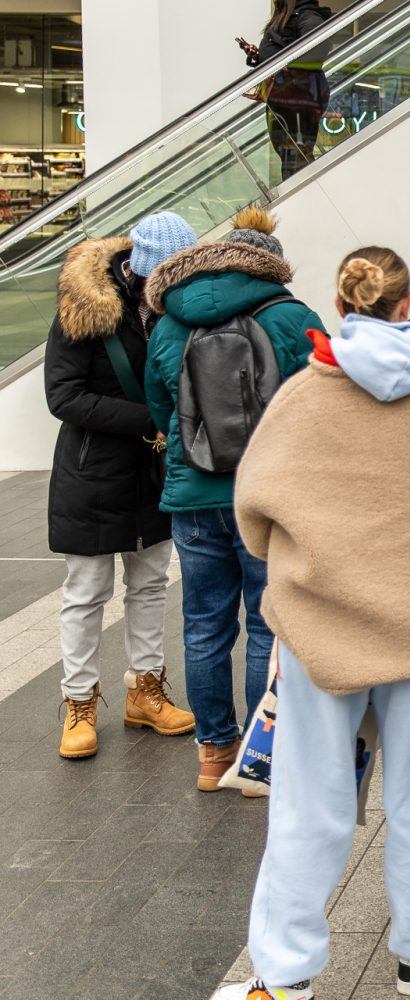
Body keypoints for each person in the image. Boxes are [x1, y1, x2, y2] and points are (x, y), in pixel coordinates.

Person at [214, 248, 410, 1000]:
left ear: (341, 307)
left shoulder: (305, 397)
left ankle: (283, 977)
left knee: (309, 803)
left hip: (320, 628)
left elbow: (252, 510)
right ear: (408, 304)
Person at [144, 205, 325, 793]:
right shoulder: (292, 315)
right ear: (268, 265)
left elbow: (161, 408)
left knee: (203, 627)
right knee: (267, 626)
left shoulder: (169, 322)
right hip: (268, 496)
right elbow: (324, 402)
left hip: (194, 499)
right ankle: (258, 757)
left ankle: (213, 753)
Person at [44, 218, 197, 760]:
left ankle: (145, 691)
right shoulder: (84, 308)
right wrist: (149, 419)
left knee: (151, 582)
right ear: (137, 268)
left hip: (153, 472)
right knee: (86, 591)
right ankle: (79, 703)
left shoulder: (175, 307)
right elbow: (63, 396)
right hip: (91, 472)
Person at [238, 0, 333, 181]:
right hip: (288, 98)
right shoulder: (292, 17)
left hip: (296, 99)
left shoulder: (306, 16)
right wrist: (262, 58)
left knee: (296, 156)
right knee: (291, 156)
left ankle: (302, 193)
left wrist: (284, 67)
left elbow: (318, 48)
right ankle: (300, 191)